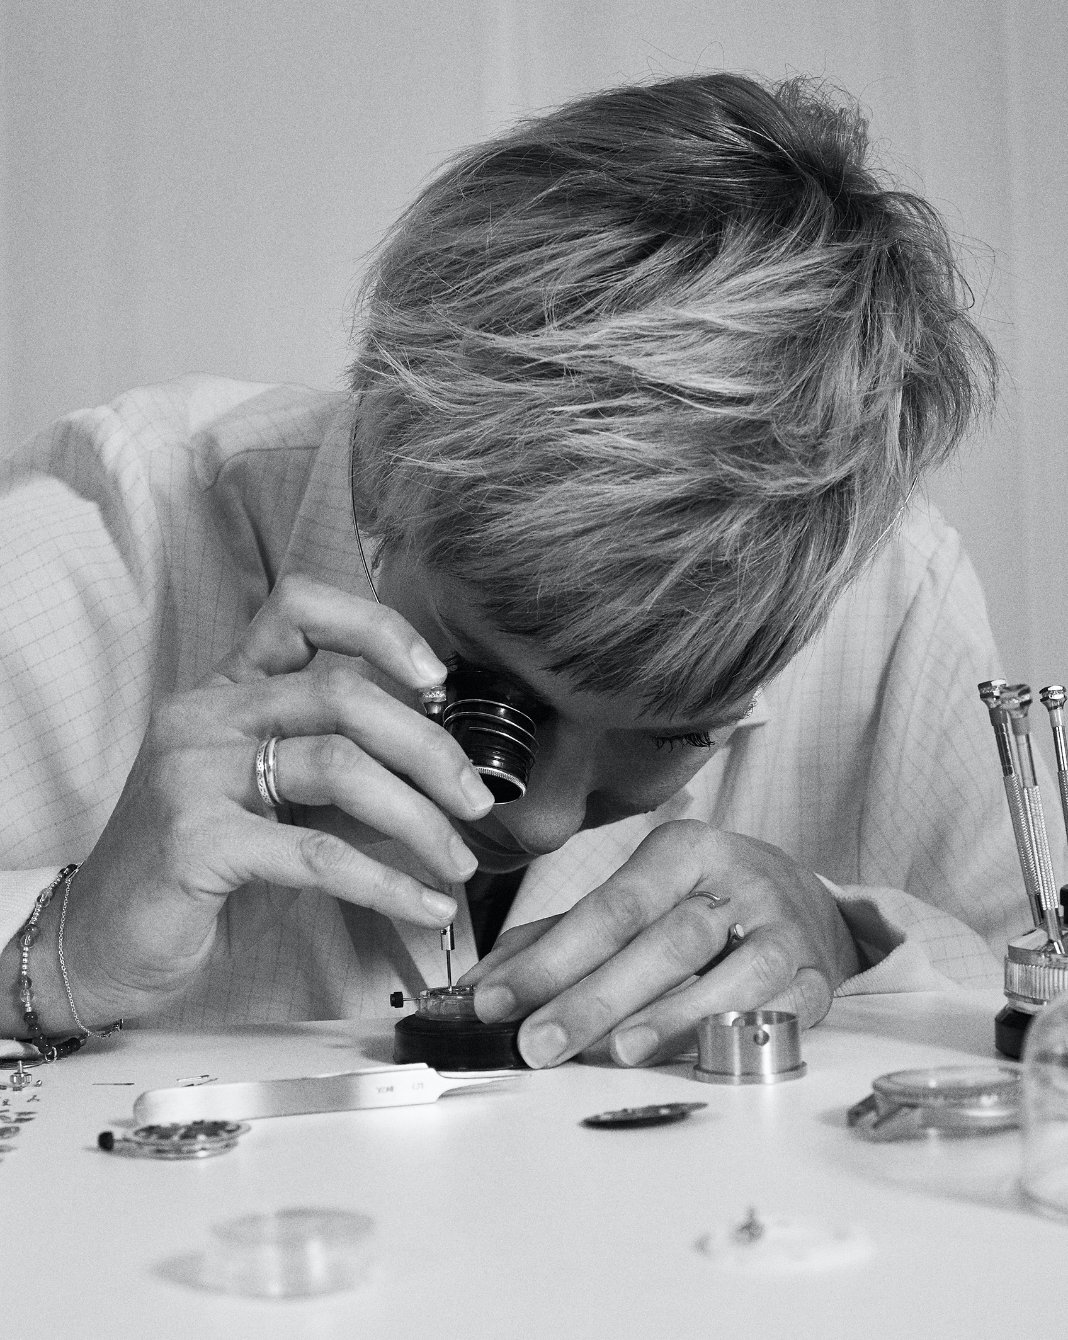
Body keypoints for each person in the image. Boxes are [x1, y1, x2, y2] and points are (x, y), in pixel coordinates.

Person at [0, 70, 1030, 1072]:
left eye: (675, 731)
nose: (530, 819)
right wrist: (52, 959)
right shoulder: (98, 549)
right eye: (489, 687)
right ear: (386, 463)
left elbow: (1047, 1026)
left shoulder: (887, 597)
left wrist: (846, 941)